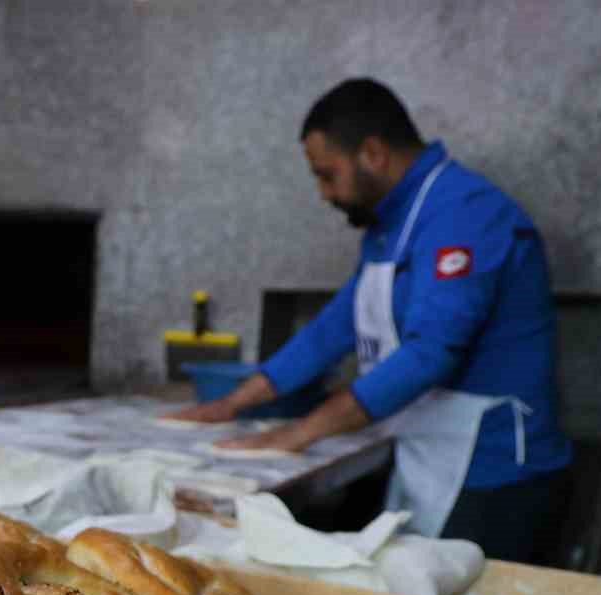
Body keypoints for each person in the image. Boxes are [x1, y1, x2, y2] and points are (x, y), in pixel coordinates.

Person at [172, 79, 573, 566]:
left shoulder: (465, 214)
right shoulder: (390, 225)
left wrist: (300, 433)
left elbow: (431, 354)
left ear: (373, 154)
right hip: (428, 454)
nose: (324, 193)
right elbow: (335, 327)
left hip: (496, 474)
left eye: (328, 175)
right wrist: (231, 404)